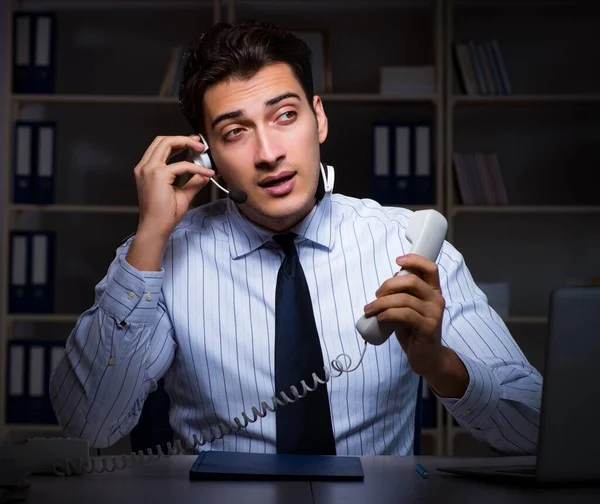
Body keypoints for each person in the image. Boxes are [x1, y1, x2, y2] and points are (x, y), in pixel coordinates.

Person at [49, 20, 542, 456]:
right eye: (235, 132)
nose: (268, 153)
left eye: (285, 115)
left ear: (318, 118)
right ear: (207, 157)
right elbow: (88, 427)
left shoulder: (410, 246)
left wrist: (441, 365)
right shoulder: (158, 258)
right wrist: (150, 236)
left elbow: (536, 431)